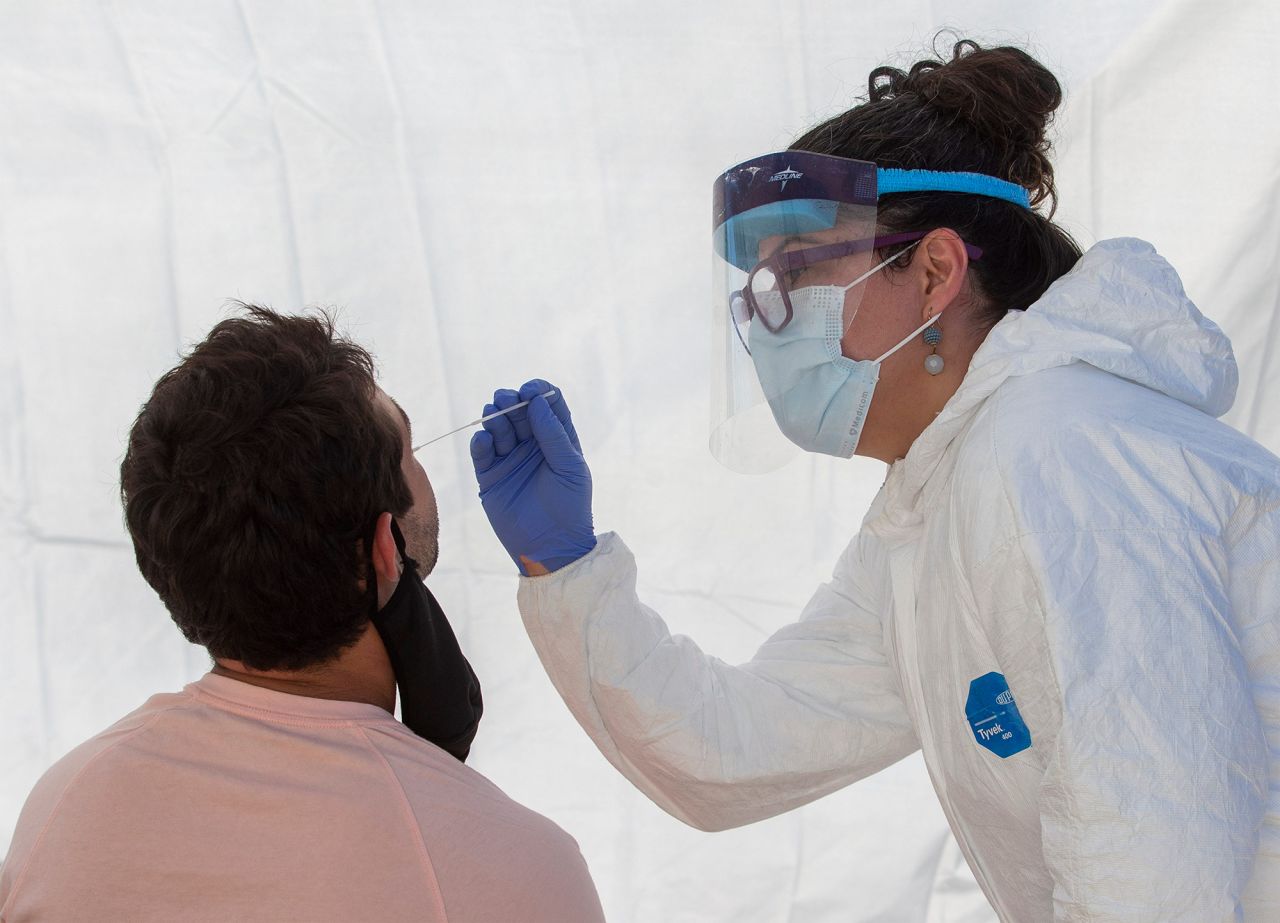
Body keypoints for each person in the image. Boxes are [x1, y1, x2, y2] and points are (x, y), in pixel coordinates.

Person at [468, 40, 1279, 920]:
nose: (767, 319)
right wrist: (568, 566)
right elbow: (732, 751)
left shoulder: (1059, 448)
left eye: (796, 273)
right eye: (754, 294)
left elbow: (1153, 867)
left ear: (935, 272)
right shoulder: (932, 507)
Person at [0, 306, 604, 922]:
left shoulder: (66, 810)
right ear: (382, 549)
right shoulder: (519, 870)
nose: (426, 472)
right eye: (409, 447)